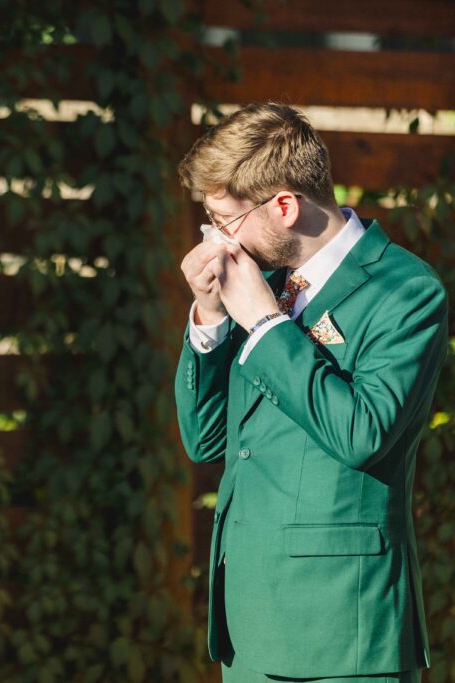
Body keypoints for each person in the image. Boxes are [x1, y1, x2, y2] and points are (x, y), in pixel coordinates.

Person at [175, 102, 447, 682]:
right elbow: (206, 440)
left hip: (343, 632)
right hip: (246, 630)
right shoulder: (261, 281)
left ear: (284, 205)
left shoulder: (406, 289)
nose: (217, 240)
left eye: (223, 221)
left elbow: (362, 434)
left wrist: (268, 326)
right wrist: (210, 316)